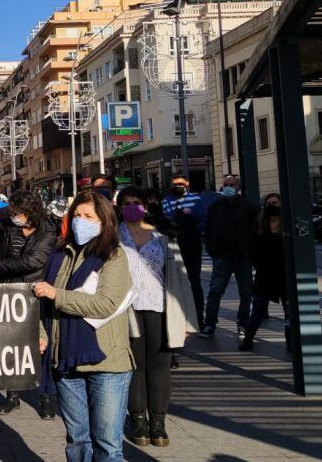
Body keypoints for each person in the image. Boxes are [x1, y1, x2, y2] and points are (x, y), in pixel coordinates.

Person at [34, 191, 134, 462]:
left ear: (104, 221)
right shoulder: (59, 255)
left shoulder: (114, 256)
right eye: (76, 216)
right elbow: (42, 306)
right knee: (77, 441)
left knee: (107, 445)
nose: (81, 221)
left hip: (106, 361)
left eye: (89, 216)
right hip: (65, 359)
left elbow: (105, 304)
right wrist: (42, 335)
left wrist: (57, 295)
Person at [116, 188, 198, 449]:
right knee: (134, 367)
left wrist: (188, 319)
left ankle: (159, 423)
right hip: (126, 311)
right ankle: (138, 421)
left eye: (136, 203)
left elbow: (181, 280)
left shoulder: (163, 237)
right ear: (119, 208)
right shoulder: (112, 237)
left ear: (145, 206)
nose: (131, 207)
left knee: (160, 367)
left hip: (160, 308)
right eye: (126, 204)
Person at [0, 191, 55, 417]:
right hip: (9, 290)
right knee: (10, 344)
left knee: (40, 345)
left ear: (31, 212)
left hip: (34, 291)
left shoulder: (46, 230)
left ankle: (46, 396)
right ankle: (13, 395)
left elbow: (34, 261)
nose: (14, 217)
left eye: (18, 213)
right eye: (12, 213)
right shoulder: (8, 219)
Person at [201, 175, 259, 339]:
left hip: (243, 258)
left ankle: (243, 323)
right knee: (215, 291)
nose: (228, 187)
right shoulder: (215, 207)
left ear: (238, 187)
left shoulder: (249, 208)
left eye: (231, 185)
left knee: (246, 292)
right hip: (222, 256)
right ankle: (210, 323)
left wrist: (250, 253)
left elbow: (255, 231)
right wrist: (213, 250)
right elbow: (209, 230)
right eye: (226, 184)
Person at [240, 193, 288, 353]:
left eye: (275, 202)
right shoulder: (259, 225)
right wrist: (256, 262)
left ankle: (291, 340)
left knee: (289, 310)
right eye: (269, 203)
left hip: (284, 274)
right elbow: (250, 247)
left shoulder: (286, 225)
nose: (272, 205)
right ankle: (248, 338)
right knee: (258, 309)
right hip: (264, 274)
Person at [162, 174, 207, 330]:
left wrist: (193, 230)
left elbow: (204, 220)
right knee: (174, 283)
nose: (178, 186)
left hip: (192, 247)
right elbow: (164, 220)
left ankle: (198, 317)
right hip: (173, 246)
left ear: (187, 184)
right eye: (175, 184)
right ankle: (178, 317)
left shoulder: (196, 200)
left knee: (194, 282)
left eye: (181, 184)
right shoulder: (166, 201)